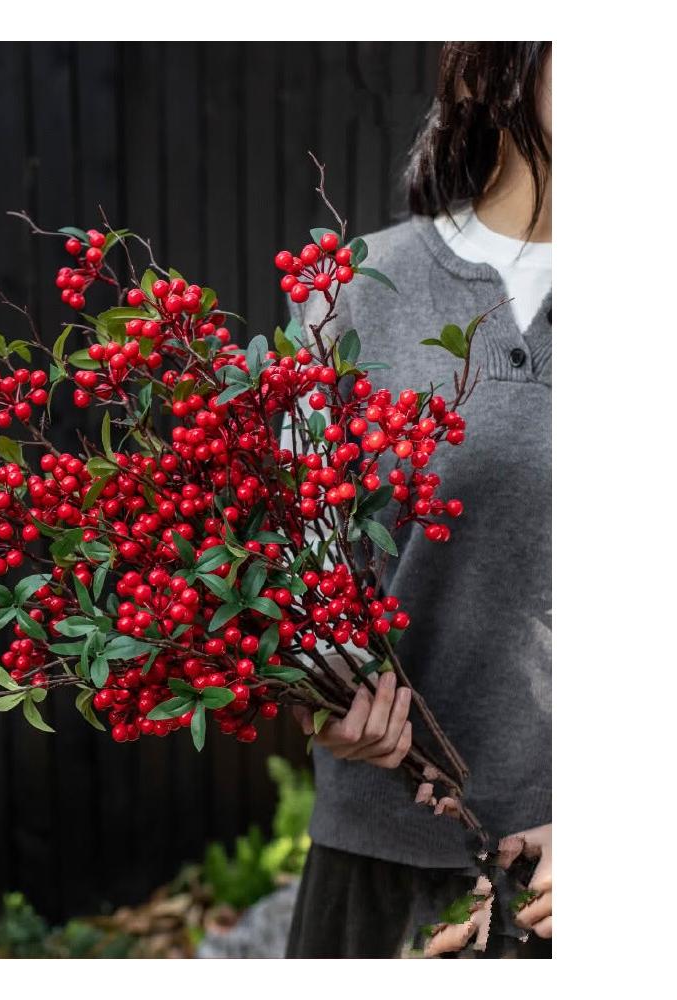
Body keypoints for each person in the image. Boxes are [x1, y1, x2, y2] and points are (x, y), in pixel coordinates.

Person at [282, 41, 552, 959]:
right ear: (491, 63)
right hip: (387, 869)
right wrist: (319, 688)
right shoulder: (355, 295)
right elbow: (293, 578)